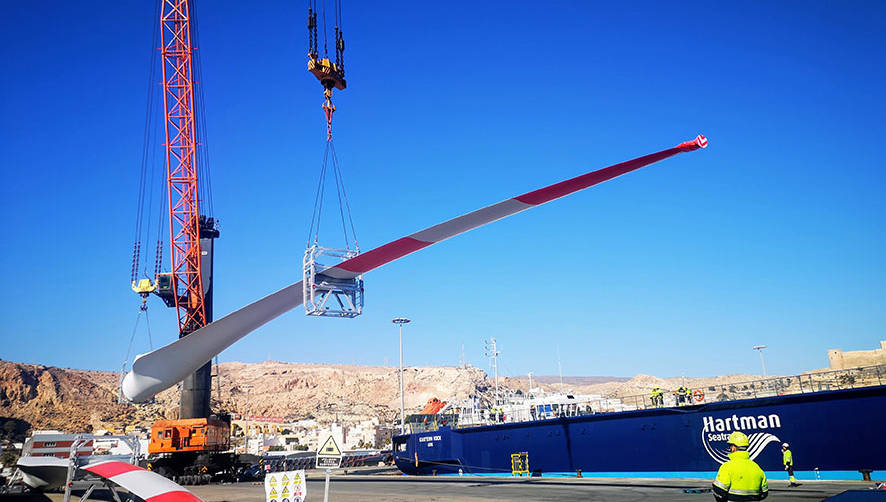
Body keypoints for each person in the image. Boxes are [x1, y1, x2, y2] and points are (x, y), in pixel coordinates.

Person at [712, 431, 769, 501]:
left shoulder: (727, 467)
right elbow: (764, 493)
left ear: (733, 448)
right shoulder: (757, 467)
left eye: (730, 446)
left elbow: (718, 491)